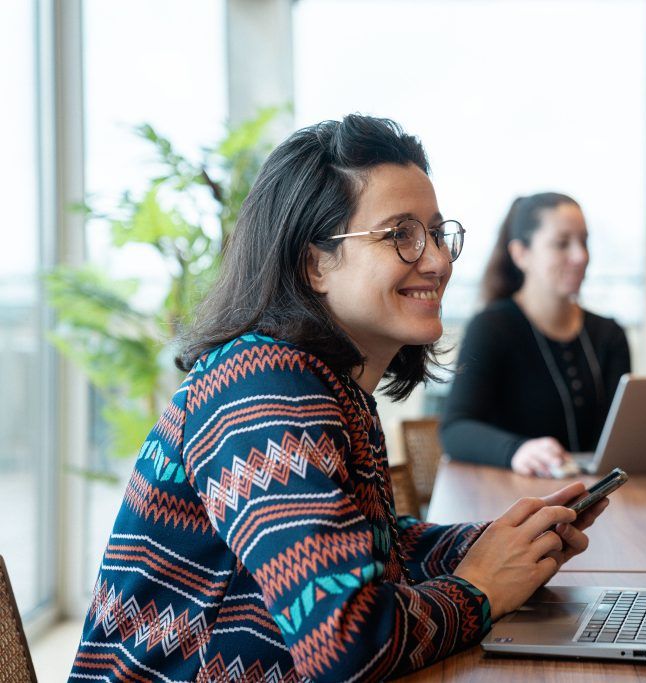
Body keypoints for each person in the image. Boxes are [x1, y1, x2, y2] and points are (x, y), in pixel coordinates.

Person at [70, 116, 607, 682]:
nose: (438, 261)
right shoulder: (257, 387)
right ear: (315, 263)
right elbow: (347, 642)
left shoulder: (322, 383)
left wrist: (502, 545)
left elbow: (368, 546)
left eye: (435, 231)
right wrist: (478, 590)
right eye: (400, 235)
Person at [440, 193, 631, 477]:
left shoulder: (610, 335)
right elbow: (455, 429)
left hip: (598, 495)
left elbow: (620, 436)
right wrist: (517, 450)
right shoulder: (492, 327)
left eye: (584, 241)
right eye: (562, 243)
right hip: (513, 499)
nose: (580, 256)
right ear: (521, 254)